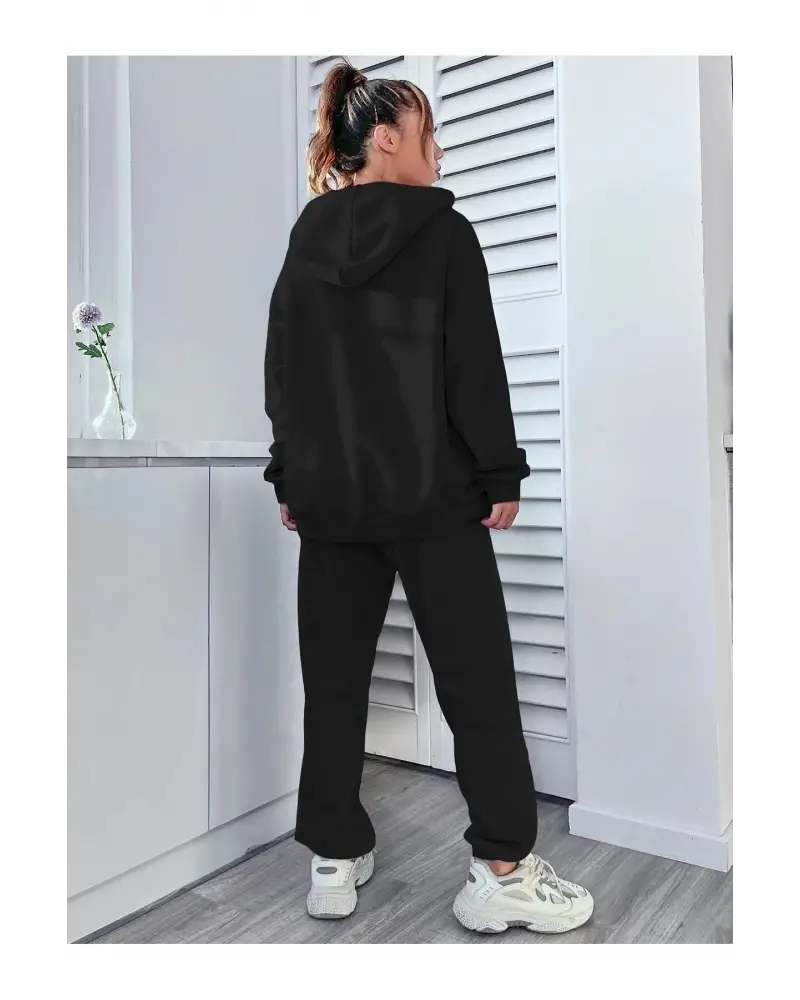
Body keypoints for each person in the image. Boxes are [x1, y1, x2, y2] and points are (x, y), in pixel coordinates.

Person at [263, 58, 593, 935]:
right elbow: (470, 364)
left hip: (331, 499)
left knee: (334, 685)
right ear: (385, 138)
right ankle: (501, 871)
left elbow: (285, 368)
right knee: (477, 684)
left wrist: (290, 473)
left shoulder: (306, 237)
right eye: (429, 133)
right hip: (433, 496)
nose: (439, 152)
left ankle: (333, 859)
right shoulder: (445, 233)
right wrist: (499, 471)